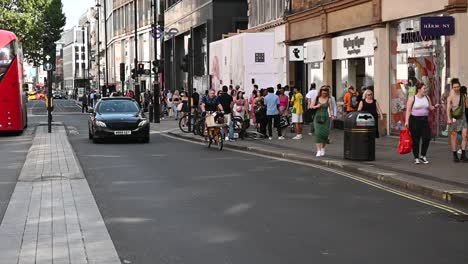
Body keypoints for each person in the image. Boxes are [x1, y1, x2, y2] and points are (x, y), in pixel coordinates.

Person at [404, 83, 440, 164]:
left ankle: (423, 156)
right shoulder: (412, 98)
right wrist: (406, 121)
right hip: (414, 120)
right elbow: (408, 111)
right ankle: (416, 157)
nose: (425, 90)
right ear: (419, 89)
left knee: (427, 138)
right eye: (424, 88)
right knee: (415, 139)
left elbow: (430, 107)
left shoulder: (427, 97)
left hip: (424, 120)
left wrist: (435, 106)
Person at [447, 78, 467, 162]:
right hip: (454, 118)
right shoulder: (450, 97)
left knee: (465, 136)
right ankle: (455, 155)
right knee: (454, 137)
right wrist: (448, 118)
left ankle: (463, 154)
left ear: (460, 86)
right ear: (452, 87)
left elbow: (466, 107)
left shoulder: (463, 95)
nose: (456, 88)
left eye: (458, 87)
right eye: (455, 87)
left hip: (463, 118)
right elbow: (448, 109)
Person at [311, 86, 335, 157]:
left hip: (326, 118)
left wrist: (332, 115)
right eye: (323, 93)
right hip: (317, 117)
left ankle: (323, 148)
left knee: (325, 135)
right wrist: (316, 106)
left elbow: (331, 109)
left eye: (325, 93)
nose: (324, 94)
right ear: (320, 92)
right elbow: (311, 106)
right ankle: (318, 150)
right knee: (318, 134)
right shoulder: (317, 98)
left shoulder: (329, 99)